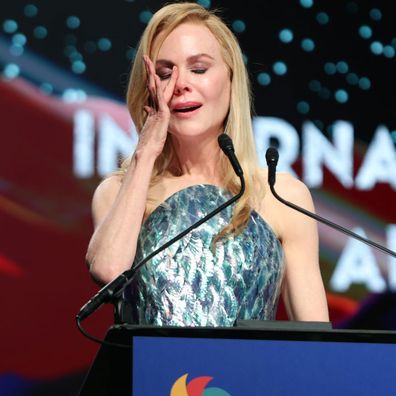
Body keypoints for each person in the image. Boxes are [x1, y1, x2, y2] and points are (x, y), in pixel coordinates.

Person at [85, 2, 329, 326]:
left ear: (230, 79)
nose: (181, 84)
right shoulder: (119, 192)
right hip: (155, 377)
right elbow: (107, 269)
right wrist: (146, 154)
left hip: (249, 377)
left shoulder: (281, 195)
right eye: (164, 73)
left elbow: (318, 344)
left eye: (198, 69)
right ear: (149, 88)